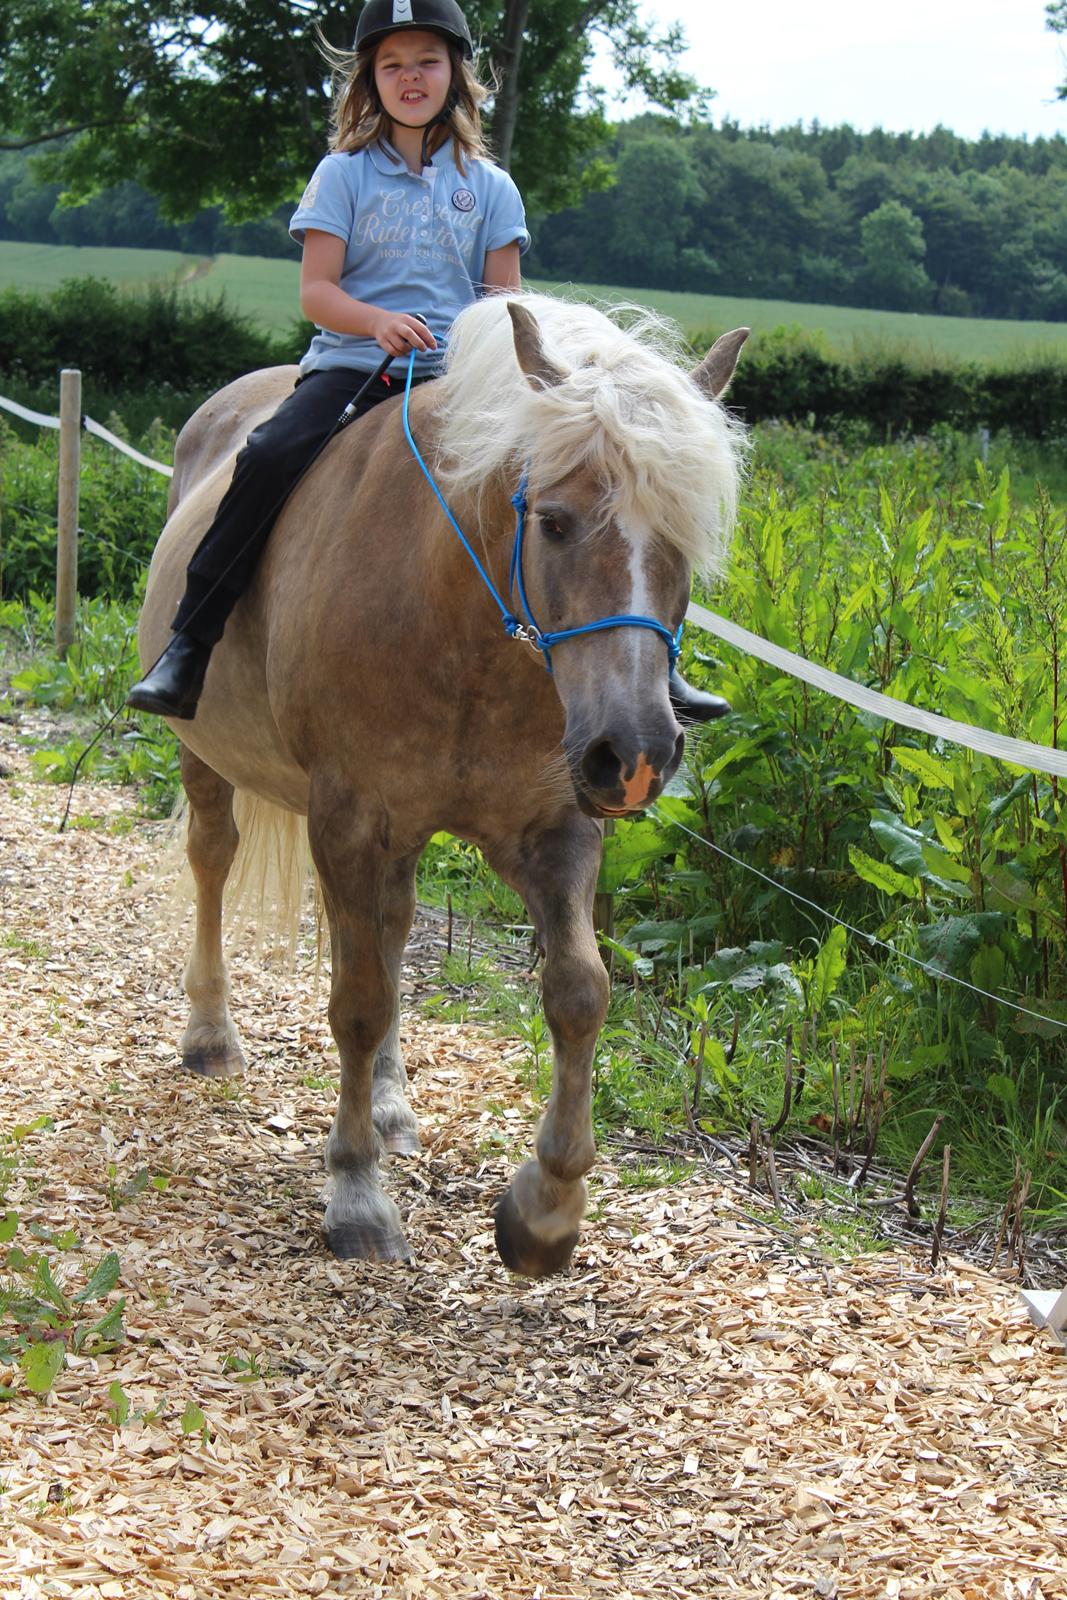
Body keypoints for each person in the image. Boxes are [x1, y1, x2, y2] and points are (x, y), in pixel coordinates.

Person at [127, 0, 727, 724]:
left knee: (596, 491)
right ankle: (190, 642)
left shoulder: (492, 187)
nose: (410, 77)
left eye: (426, 62)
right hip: (355, 366)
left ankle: (658, 667)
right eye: (391, 65)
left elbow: (506, 303)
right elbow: (317, 291)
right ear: (369, 81)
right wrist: (376, 321)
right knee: (268, 455)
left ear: (455, 74)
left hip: (464, 382)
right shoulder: (342, 175)